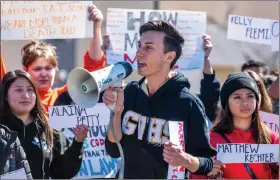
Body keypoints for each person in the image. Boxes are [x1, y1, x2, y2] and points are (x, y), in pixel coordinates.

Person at [103, 20, 216, 179]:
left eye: (148, 47)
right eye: (139, 46)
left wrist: (186, 160)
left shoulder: (188, 103)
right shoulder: (129, 93)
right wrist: (116, 112)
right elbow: (113, 150)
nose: (139, 53)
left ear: (169, 56)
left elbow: (208, 163)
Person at [1, 4, 105, 112]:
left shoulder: (65, 96)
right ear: (25, 71)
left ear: (56, 70)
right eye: (37, 69)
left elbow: (94, 69)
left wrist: (96, 27)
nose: (43, 73)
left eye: (48, 68)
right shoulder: (11, 97)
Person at [0, 70, 88, 179]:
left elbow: (62, 172)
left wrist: (78, 142)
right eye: (18, 90)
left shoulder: (48, 130)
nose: (26, 95)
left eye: (30, 90)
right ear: (5, 95)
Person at [192, 72, 279, 179]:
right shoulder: (210, 140)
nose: (244, 102)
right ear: (226, 102)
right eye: (237, 97)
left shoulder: (272, 138)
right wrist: (207, 172)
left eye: (250, 96)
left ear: (257, 101)